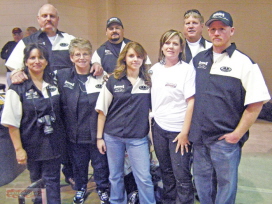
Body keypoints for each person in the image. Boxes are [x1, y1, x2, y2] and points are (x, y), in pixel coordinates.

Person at [189, 10, 271, 204]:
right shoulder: (199, 60)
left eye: (222, 29)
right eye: (213, 29)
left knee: (225, 187)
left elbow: (257, 102)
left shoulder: (245, 63)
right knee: (202, 185)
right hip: (199, 139)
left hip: (224, 141)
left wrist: (236, 134)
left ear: (231, 31)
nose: (216, 33)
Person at [1, 43, 65, 204]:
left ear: (46, 61)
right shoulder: (17, 89)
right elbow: (12, 124)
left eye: (41, 57)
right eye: (32, 58)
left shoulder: (54, 84)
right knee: (37, 184)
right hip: (32, 147)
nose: (37, 61)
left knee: (53, 183)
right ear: (26, 62)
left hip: (54, 145)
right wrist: (19, 150)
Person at [96, 41, 156, 204]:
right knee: (115, 175)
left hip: (138, 139)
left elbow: (153, 112)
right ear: (124, 58)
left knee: (144, 177)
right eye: (131, 56)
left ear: (143, 59)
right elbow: (102, 111)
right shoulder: (112, 81)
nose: (135, 59)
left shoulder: (148, 83)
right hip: (112, 137)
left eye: (138, 56)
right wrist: (99, 138)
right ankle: (117, 201)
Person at [55, 38, 110, 204]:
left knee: (100, 166)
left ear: (91, 56)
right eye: (77, 54)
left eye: (85, 53)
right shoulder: (62, 76)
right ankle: (80, 189)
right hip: (74, 135)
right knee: (79, 165)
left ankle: (102, 189)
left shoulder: (101, 77)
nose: (81, 57)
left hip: (97, 134)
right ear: (71, 57)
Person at [149, 29, 195, 204]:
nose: (171, 47)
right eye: (167, 43)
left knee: (181, 175)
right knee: (166, 171)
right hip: (159, 128)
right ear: (162, 46)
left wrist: (184, 133)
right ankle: (169, 200)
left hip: (179, 131)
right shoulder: (154, 70)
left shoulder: (186, 70)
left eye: (175, 43)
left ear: (181, 48)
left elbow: (191, 102)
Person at [6, 4, 103, 83]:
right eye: (44, 16)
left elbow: (85, 57)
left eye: (52, 16)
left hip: (66, 92)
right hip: (40, 94)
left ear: (57, 19)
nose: (48, 19)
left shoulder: (70, 40)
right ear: (38, 19)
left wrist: (95, 63)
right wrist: (15, 73)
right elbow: (13, 66)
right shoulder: (27, 42)